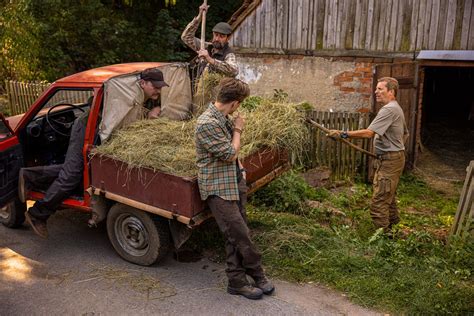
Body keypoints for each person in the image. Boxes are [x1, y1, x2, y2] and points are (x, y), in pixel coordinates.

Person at [22, 68, 168, 238]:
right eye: (155, 86)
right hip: (86, 128)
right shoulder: (125, 92)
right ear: (143, 83)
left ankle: (30, 176)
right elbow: (100, 105)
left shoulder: (143, 94)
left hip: (100, 129)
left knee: (79, 169)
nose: (159, 90)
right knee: (71, 176)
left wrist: (155, 109)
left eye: (160, 86)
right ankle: (38, 214)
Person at [195, 78, 274, 300]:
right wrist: (238, 130)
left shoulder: (223, 118)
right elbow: (230, 151)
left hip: (233, 179)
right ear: (235, 103)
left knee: (235, 234)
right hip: (218, 187)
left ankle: (237, 280)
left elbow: (233, 156)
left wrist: (241, 169)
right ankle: (256, 271)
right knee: (239, 233)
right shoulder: (207, 123)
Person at [328, 77, 409, 233]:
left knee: (379, 204)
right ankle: (393, 230)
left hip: (390, 161)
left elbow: (369, 133)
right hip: (392, 159)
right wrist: (393, 148)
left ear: (391, 92)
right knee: (389, 198)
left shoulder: (389, 109)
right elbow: (405, 133)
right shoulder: (396, 108)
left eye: (380, 89)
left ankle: (383, 241)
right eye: (376, 88)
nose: (376, 91)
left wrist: (343, 134)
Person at [181, 2, 238, 78]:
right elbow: (186, 37)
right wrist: (199, 16)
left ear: (228, 38)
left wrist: (210, 59)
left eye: (221, 36)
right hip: (200, 88)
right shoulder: (206, 47)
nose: (217, 39)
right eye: (216, 35)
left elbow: (234, 71)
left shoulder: (229, 54)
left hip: (218, 89)